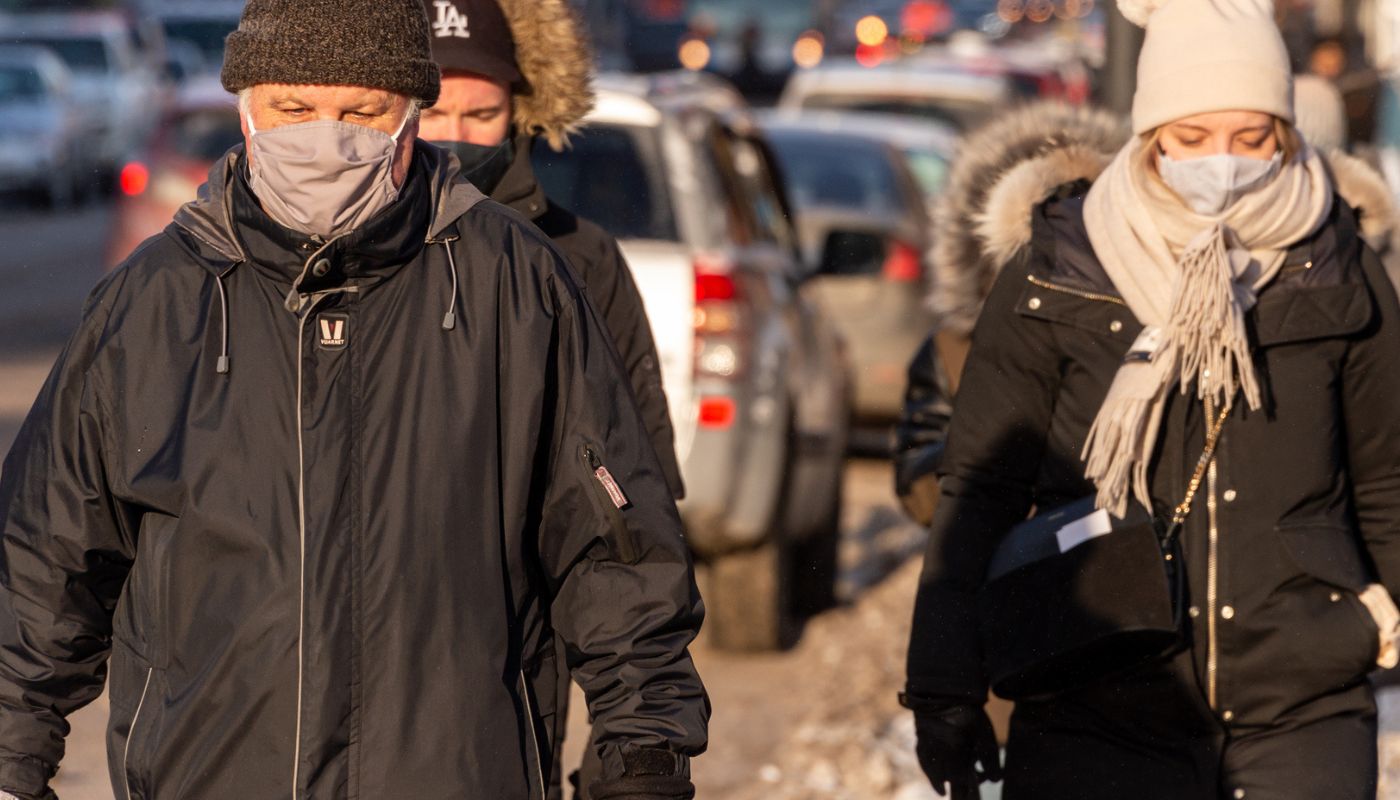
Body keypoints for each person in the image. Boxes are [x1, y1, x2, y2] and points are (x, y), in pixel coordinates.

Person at [0, 1, 708, 799]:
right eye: (295, 110)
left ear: (410, 120)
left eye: (362, 112)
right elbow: (41, 569)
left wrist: (643, 764)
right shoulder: (154, 303)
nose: (325, 137)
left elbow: (617, 557)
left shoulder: (515, 285)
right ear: (246, 109)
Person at [904, 0, 1400, 798]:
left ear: (1286, 131)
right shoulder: (1058, 269)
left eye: (1252, 137)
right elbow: (982, 489)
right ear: (1150, 135)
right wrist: (944, 689)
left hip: (1303, 707)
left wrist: (1368, 615)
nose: (1224, 163)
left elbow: (1385, 477)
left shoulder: (1335, 263)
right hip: (1095, 696)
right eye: (1194, 138)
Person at [417, 0, 684, 503]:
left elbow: (636, 456)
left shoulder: (577, 253)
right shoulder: (351, 250)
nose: (457, 135)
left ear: (519, 114)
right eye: (433, 111)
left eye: (482, 114)